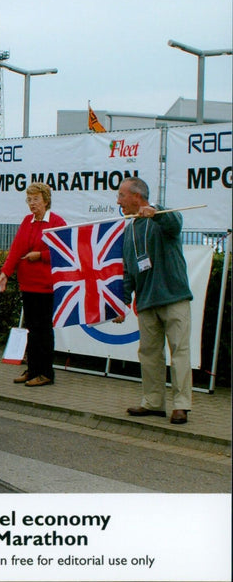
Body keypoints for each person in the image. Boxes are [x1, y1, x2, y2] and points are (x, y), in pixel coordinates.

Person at [114, 176, 192, 424]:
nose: (119, 201)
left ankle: (181, 405)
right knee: (149, 353)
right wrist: (122, 302)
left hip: (174, 297)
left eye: (122, 195)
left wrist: (156, 212)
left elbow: (175, 224)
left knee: (179, 351)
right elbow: (128, 270)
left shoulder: (163, 215)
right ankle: (153, 402)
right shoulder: (128, 230)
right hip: (146, 302)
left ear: (137, 196)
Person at [0, 182, 66, 387]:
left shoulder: (56, 221)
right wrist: (5, 273)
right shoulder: (27, 221)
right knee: (32, 330)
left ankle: (46, 373)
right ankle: (33, 369)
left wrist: (41, 256)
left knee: (43, 330)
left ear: (45, 200)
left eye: (36, 199)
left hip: (45, 286)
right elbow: (16, 249)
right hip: (27, 285)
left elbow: (62, 252)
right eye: (29, 199)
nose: (32, 203)